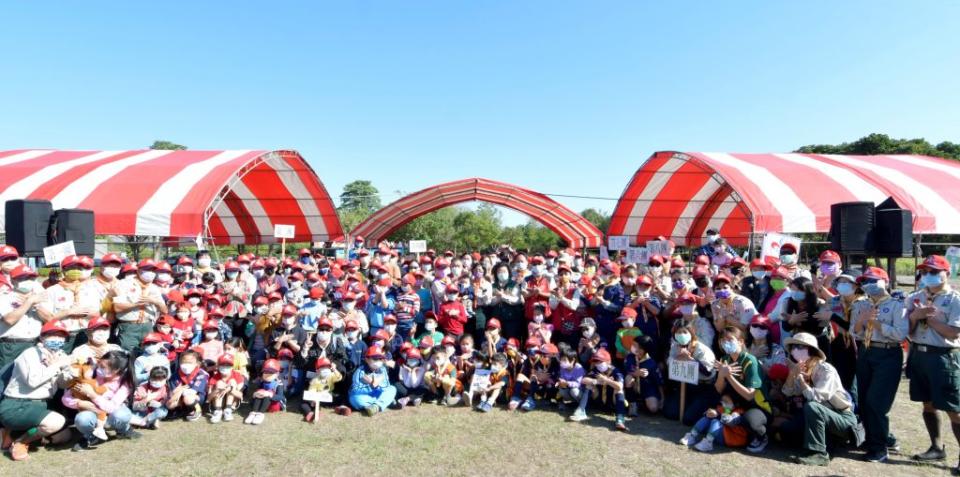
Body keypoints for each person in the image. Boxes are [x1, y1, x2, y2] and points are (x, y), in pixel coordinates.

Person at [905, 255, 960, 471]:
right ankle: (936, 447)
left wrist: (928, 319)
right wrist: (914, 317)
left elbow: (954, 333)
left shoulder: (955, 299)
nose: (928, 276)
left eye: (934, 271)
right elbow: (906, 330)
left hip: (943, 356)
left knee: (953, 409)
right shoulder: (916, 297)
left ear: (946, 273)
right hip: (919, 354)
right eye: (925, 272)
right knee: (926, 403)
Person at [850, 266, 908, 462]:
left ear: (885, 281)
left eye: (873, 281)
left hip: (888, 352)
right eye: (865, 282)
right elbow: (854, 331)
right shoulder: (860, 305)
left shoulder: (896, 305)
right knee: (864, 399)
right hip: (866, 351)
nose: (869, 285)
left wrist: (875, 324)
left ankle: (880, 446)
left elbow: (900, 334)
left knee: (877, 401)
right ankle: (871, 439)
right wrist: (862, 321)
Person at [0, 320, 72, 461]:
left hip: (40, 405)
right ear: (42, 337)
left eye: (61, 336)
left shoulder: (61, 355)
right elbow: (33, 381)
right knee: (56, 422)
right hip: (17, 405)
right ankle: (20, 442)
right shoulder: (29, 354)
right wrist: (56, 366)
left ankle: (12, 435)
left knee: (65, 436)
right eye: (53, 335)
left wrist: (68, 373)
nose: (57, 340)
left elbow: (63, 385)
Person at [781, 332, 856, 467]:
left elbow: (817, 397)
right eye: (793, 347)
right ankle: (824, 442)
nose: (794, 351)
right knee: (787, 430)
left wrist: (803, 382)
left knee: (812, 406)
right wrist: (792, 374)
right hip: (822, 416)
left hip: (842, 417)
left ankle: (820, 453)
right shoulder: (802, 369)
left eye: (799, 347)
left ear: (811, 351)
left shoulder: (826, 369)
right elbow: (787, 392)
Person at [64, 350, 141, 450]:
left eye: (103, 367)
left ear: (116, 370)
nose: (98, 368)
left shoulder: (125, 383)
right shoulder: (91, 374)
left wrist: (92, 395)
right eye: (99, 364)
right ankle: (90, 436)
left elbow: (112, 407)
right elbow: (66, 397)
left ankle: (123, 429)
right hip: (93, 413)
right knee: (82, 419)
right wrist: (78, 403)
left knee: (121, 415)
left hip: (112, 415)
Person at [714, 327, 769, 453]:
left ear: (741, 341)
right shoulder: (725, 359)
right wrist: (721, 375)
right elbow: (718, 388)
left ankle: (762, 436)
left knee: (751, 421)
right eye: (722, 340)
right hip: (737, 405)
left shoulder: (750, 360)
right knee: (712, 408)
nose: (726, 342)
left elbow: (750, 395)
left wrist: (728, 375)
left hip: (757, 406)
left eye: (730, 339)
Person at [662, 323, 717, 425]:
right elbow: (670, 363)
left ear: (691, 333)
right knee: (670, 413)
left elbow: (708, 372)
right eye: (678, 332)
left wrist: (691, 359)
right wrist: (678, 358)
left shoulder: (701, 349)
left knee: (688, 419)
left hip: (702, 386)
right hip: (685, 385)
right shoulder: (675, 347)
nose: (681, 335)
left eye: (685, 332)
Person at [112, 259, 167, 353]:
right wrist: (135, 305)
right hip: (129, 326)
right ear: (138, 270)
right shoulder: (124, 284)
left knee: (148, 353)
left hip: (147, 325)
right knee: (128, 353)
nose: (150, 273)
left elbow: (165, 310)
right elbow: (117, 308)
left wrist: (154, 301)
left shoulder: (154, 288)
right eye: (147, 269)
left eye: (153, 270)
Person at [0, 264, 45, 369]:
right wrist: (29, 302)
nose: (28, 280)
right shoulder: (4, 297)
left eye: (31, 277)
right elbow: (9, 320)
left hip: (35, 342)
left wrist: (36, 305)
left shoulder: (40, 296)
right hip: (12, 345)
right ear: (13, 280)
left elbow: (49, 319)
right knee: (6, 378)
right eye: (22, 278)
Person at [679, 392, 748, 452]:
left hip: (732, 439)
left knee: (716, 421)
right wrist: (709, 413)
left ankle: (708, 443)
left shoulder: (739, 412)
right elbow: (715, 412)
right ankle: (692, 436)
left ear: (735, 403)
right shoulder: (723, 408)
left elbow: (730, 421)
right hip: (723, 435)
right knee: (707, 418)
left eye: (726, 401)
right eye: (723, 401)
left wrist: (717, 415)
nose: (723, 403)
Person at [579, 347, 628, 431]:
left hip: (613, 402)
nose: (597, 364)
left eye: (600, 361)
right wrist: (597, 381)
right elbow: (583, 380)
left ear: (608, 361)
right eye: (596, 362)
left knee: (618, 389)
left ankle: (620, 419)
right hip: (599, 401)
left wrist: (607, 380)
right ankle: (581, 411)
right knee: (590, 384)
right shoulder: (596, 370)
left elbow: (620, 386)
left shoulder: (616, 371)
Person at [348, 346, 396, 416]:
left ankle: (375, 406)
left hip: (378, 394)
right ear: (367, 359)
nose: (378, 361)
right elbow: (355, 390)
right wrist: (370, 387)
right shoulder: (360, 371)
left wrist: (376, 385)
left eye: (380, 359)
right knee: (355, 398)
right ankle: (382, 403)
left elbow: (387, 386)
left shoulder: (383, 370)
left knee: (392, 389)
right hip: (365, 396)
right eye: (375, 359)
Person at [623, 335, 663, 416]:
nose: (632, 347)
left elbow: (659, 382)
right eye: (633, 344)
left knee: (653, 408)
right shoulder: (630, 357)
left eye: (635, 345)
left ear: (642, 349)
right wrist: (636, 373)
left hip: (647, 388)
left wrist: (662, 398)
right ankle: (633, 403)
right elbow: (627, 371)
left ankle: (644, 404)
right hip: (634, 387)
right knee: (628, 378)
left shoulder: (651, 363)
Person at [166, 349, 209, 421]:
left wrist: (181, 389)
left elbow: (193, 391)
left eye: (190, 362)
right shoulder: (175, 375)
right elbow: (173, 392)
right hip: (179, 396)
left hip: (196, 397)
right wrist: (177, 393)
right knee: (170, 404)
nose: (186, 365)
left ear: (197, 363)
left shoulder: (201, 374)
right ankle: (180, 411)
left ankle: (197, 410)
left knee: (187, 398)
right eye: (183, 362)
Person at [207, 353, 245, 423]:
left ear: (232, 366)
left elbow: (240, 396)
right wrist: (217, 390)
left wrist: (230, 389)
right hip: (217, 401)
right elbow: (208, 399)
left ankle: (228, 410)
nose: (225, 367)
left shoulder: (237, 375)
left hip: (232, 401)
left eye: (228, 365)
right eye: (223, 365)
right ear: (218, 366)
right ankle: (218, 411)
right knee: (219, 383)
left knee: (232, 382)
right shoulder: (214, 377)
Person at [245, 358, 285, 425]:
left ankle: (260, 414)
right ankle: (253, 412)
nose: (267, 374)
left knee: (268, 393)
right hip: (264, 403)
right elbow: (257, 392)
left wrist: (269, 394)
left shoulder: (279, 384)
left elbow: (281, 397)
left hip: (274, 405)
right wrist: (255, 394)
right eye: (266, 372)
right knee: (260, 392)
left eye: (271, 372)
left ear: (277, 374)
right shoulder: (262, 382)